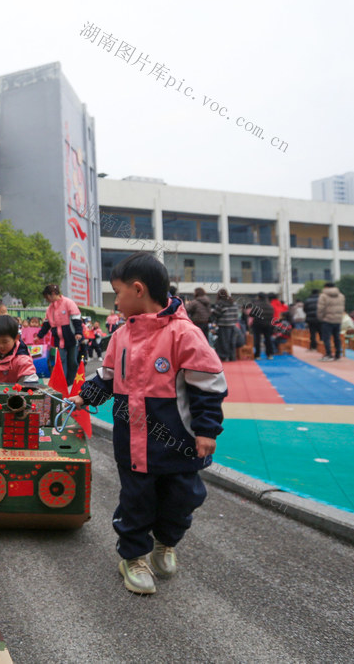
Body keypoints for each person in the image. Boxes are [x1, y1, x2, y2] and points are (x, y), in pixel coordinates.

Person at [68, 253, 227, 595]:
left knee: (183, 497)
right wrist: (86, 395)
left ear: (138, 290)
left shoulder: (185, 334)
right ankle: (133, 557)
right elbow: (108, 375)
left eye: (118, 293)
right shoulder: (121, 336)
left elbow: (208, 386)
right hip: (132, 441)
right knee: (136, 501)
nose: (117, 300)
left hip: (178, 443)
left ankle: (165, 543)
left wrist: (206, 430)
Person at [37, 284, 83, 386]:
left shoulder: (68, 303)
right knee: (61, 361)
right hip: (58, 339)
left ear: (53, 294)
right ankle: (63, 384)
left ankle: (71, 382)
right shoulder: (50, 308)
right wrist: (39, 335)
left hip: (71, 338)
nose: (47, 299)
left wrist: (78, 332)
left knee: (73, 362)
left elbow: (76, 318)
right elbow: (47, 324)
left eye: (47, 297)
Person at [0, 315, 38, 383]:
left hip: (12, 391)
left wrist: (27, 385)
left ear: (16, 338)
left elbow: (29, 376)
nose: (0, 346)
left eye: (5, 342)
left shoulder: (21, 356)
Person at [317, 282, 346, 361]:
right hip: (338, 319)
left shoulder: (323, 296)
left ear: (326, 287)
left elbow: (321, 308)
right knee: (337, 337)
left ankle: (329, 354)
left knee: (326, 338)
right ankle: (337, 355)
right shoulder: (341, 296)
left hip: (327, 319)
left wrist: (320, 318)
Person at [212, 288, 240, 362]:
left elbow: (216, 313)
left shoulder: (221, 303)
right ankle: (232, 356)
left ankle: (224, 356)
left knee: (224, 342)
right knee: (231, 341)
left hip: (223, 324)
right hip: (233, 324)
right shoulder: (233, 302)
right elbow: (236, 313)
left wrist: (212, 313)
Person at [249, 293, 275, 360]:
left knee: (257, 340)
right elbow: (272, 315)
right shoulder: (270, 305)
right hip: (268, 325)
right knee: (268, 339)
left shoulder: (257, 305)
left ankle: (257, 355)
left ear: (259, 297)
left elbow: (251, 314)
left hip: (258, 324)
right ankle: (269, 354)